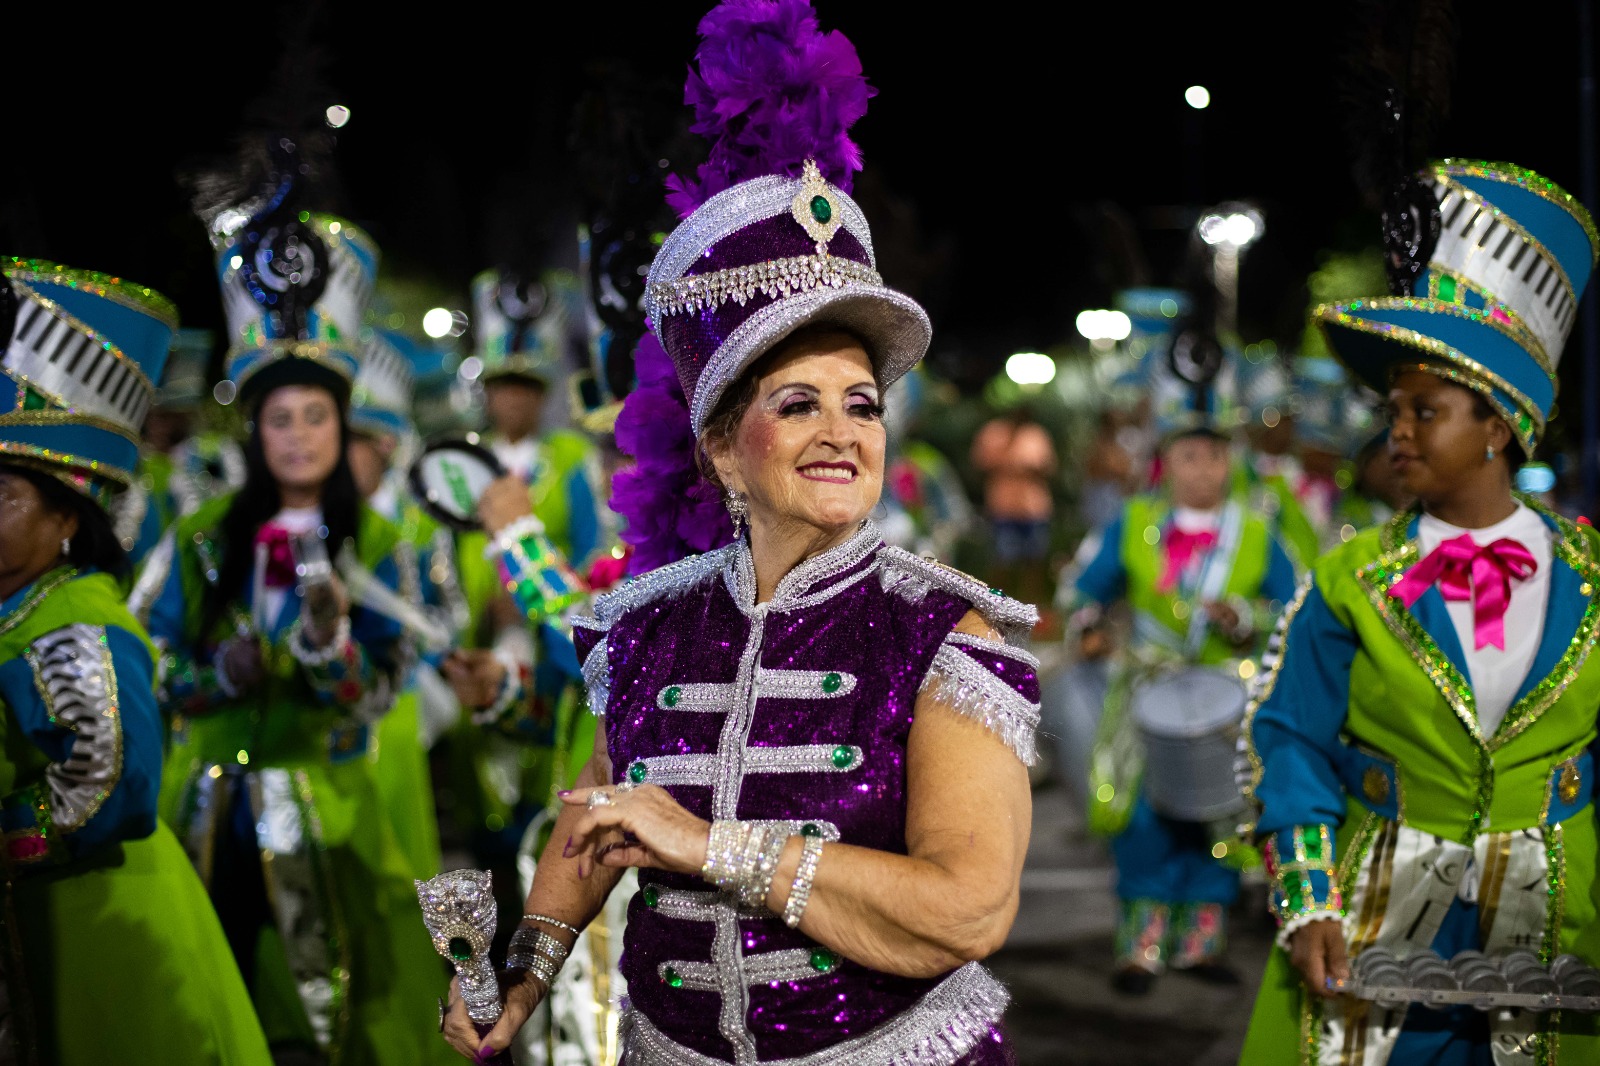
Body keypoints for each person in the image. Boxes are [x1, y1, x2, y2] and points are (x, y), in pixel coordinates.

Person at [440, 4, 1041, 1060]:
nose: (841, 433)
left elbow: (967, 910)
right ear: (721, 447)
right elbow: (592, 830)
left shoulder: (947, 638)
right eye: (797, 402)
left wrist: (709, 843)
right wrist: (524, 973)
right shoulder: (646, 625)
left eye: (861, 403)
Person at [1240, 159, 1600, 1063]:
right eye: (1393, 409)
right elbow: (1289, 740)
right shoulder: (1349, 578)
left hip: (1565, 928)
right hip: (1378, 920)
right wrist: (1309, 900)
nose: (1396, 430)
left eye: (1426, 410)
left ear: (1500, 424)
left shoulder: (1594, 576)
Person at [131, 196, 454, 1065]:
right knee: (212, 1007)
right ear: (256, 428)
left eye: (317, 416)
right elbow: (149, 655)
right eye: (281, 418)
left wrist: (329, 651)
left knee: (333, 1026)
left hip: (332, 814)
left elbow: (385, 686)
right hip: (207, 812)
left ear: (341, 424)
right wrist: (217, 677)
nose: (301, 435)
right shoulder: (200, 540)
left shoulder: (384, 545)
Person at [0, 259, 271, 1064]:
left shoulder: (77, 615)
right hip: (50, 915)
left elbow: (110, 788)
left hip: (101, 921)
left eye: (4, 498)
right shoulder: (23, 605)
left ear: (68, 520)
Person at [1071, 411, 1298, 994]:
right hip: (1148, 688)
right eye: (1189, 456)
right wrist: (1090, 626)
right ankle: (1139, 948)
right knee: (1143, 814)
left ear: (1232, 464)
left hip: (1223, 698)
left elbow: (1297, 609)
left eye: (1216, 456)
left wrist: (1246, 619)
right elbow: (1085, 591)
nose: (1203, 469)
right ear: (1165, 464)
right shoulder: (1134, 522)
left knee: (1217, 813)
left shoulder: (1254, 530)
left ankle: (1201, 945)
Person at [970, 403, 1057, 605]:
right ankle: (996, 605)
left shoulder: (1036, 435)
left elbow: (1049, 468)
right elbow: (980, 465)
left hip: (1034, 508)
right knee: (1002, 560)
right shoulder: (994, 433)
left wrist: (1027, 469)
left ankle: (1030, 608)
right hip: (1003, 508)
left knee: (1034, 562)